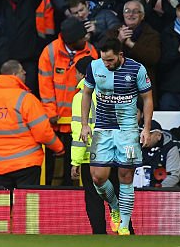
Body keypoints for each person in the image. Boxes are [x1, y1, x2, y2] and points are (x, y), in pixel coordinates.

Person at [80, 39, 154, 235]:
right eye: (104, 59)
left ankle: (123, 226)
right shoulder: (94, 67)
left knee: (126, 176)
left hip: (127, 130)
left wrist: (145, 129)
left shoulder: (137, 69)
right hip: (103, 129)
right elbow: (87, 93)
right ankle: (114, 206)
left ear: (121, 55)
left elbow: (147, 98)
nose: (106, 64)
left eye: (110, 60)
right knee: (97, 177)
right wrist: (85, 124)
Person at [0, 60, 64, 189]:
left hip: (0, 166)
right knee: (27, 206)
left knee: (6, 206)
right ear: (15, 74)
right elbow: (42, 132)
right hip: (27, 164)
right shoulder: (27, 99)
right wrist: (59, 148)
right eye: (22, 71)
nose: (25, 73)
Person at [38, 17, 98, 185]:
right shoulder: (50, 52)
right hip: (56, 121)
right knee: (50, 164)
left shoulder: (91, 52)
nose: (85, 39)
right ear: (70, 41)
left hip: (79, 121)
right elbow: (45, 85)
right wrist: (50, 112)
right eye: (81, 38)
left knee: (73, 167)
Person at [70, 57, 106, 235]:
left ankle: (100, 237)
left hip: (91, 157)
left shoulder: (81, 97)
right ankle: (126, 233)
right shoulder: (111, 90)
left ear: (83, 74)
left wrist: (75, 161)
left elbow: (80, 132)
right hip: (114, 153)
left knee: (94, 199)